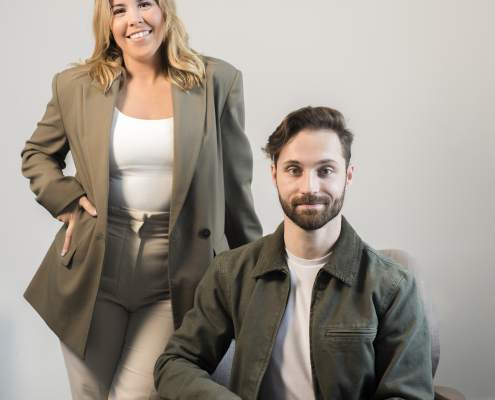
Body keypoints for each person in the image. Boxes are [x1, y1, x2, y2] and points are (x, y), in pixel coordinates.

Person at [21, 0, 262, 398]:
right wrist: (65, 198)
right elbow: (38, 154)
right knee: (89, 394)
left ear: (164, 10)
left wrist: (258, 276)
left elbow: (237, 190)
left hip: (178, 274)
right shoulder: (76, 85)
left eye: (144, 3)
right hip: (94, 268)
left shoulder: (218, 80)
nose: (133, 18)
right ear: (108, 21)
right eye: (119, 9)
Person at [154, 106, 435, 400]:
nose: (309, 187)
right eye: (294, 170)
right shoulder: (230, 271)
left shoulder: (394, 284)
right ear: (275, 175)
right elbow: (175, 364)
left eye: (325, 170)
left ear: (348, 176)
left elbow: (408, 394)